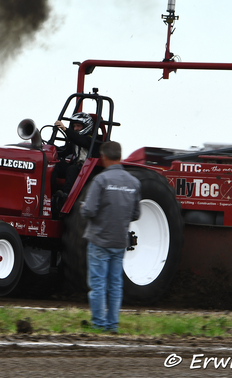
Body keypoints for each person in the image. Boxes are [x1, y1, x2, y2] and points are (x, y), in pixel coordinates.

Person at [80, 141, 140, 333]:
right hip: (119, 242)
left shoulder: (101, 180)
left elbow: (89, 210)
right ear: (120, 156)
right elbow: (136, 214)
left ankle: (98, 324)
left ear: (104, 157)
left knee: (98, 284)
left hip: (99, 240)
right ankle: (112, 325)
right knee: (115, 284)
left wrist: (82, 207)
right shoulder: (134, 183)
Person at [53, 112, 100, 196]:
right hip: (75, 166)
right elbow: (64, 151)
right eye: (74, 126)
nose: (75, 129)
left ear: (86, 126)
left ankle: (65, 195)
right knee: (56, 164)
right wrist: (50, 149)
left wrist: (65, 129)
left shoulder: (91, 140)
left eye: (78, 126)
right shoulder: (74, 141)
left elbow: (80, 140)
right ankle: (49, 193)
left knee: (72, 169)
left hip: (86, 170)